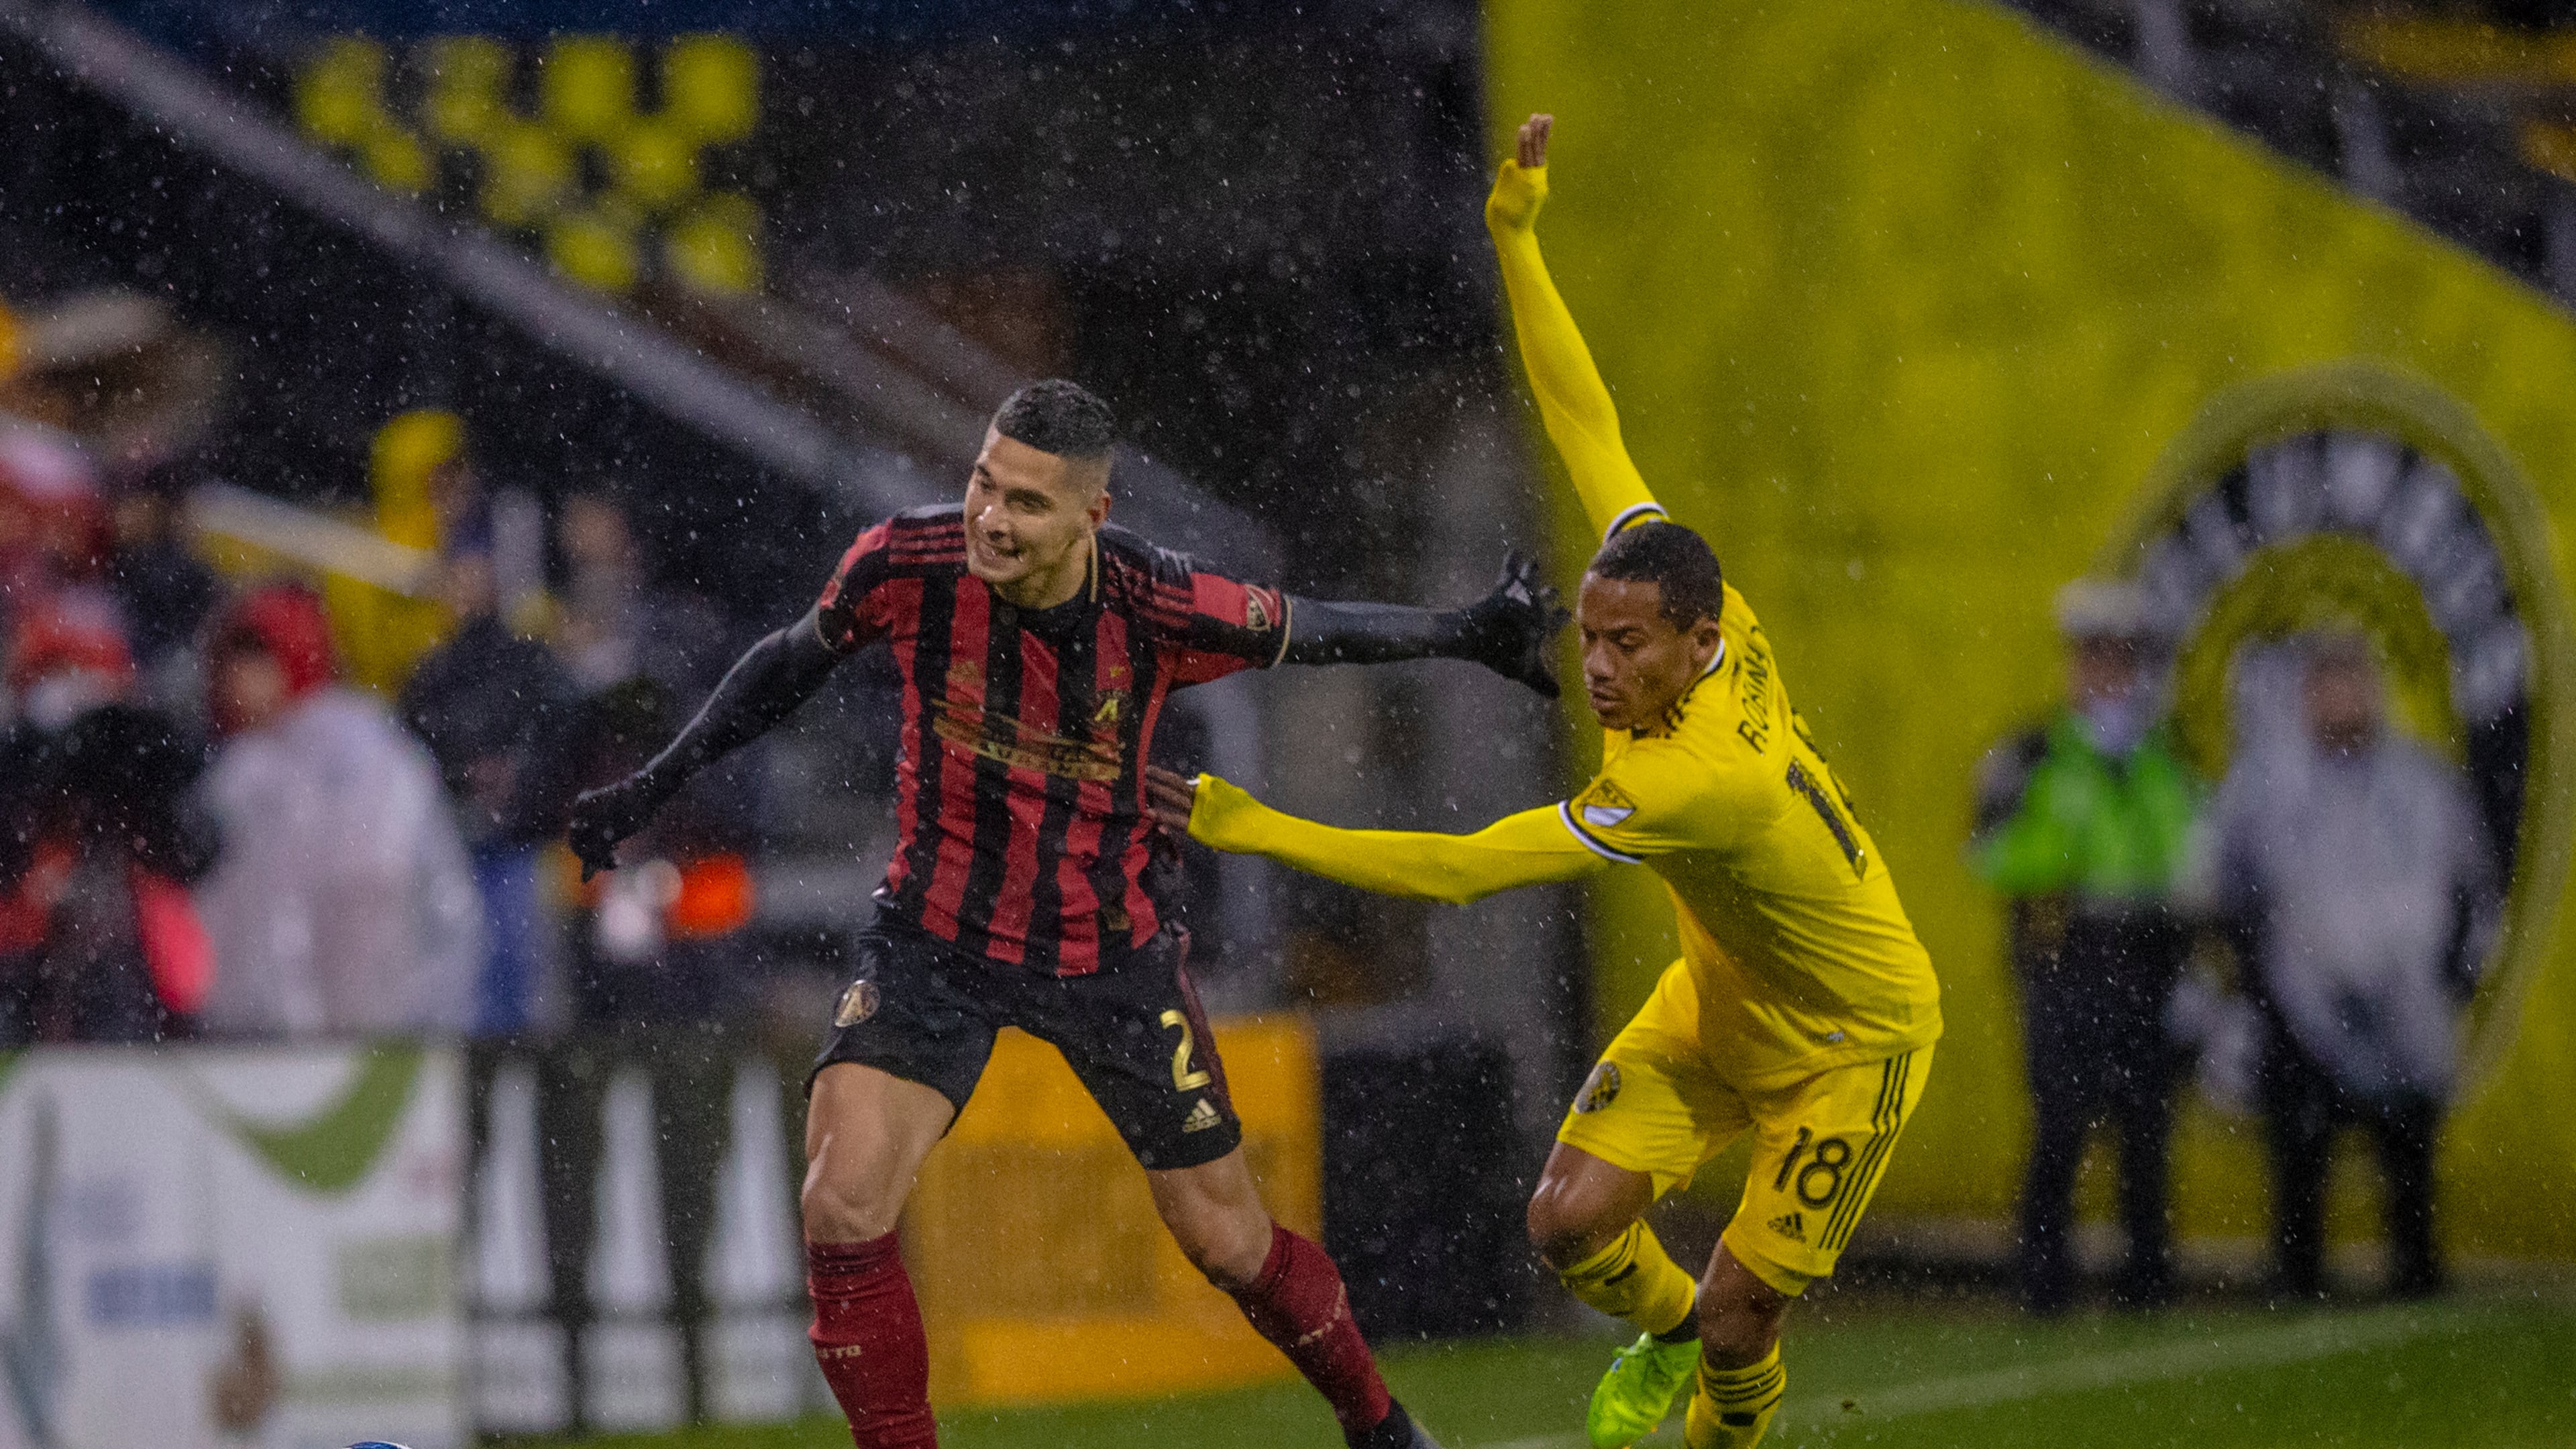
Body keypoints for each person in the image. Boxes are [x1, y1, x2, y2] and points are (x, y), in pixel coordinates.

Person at [566, 378, 1566, 1449]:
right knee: (840, 1204)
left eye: (1028, 503)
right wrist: (653, 784)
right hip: (934, 937)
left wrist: (1468, 632)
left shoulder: (1157, 600)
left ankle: (1380, 1428)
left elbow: (1312, 629)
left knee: (1226, 1241)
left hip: (1108, 952)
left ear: (1093, 514)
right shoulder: (908, 562)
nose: (992, 518)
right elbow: (789, 660)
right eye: (984, 484)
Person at [1146, 116, 1941, 1449]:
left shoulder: (1702, 781)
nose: (1600, 668)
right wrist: (1516, 238)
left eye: (1627, 648)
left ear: (1698, 643)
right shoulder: (1688, 593)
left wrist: (1259, 824)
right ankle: (1666, 1337)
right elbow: (1586, 419)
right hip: (1721, 1005)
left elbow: (1464, 871)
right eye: (1590, 639)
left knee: (1745, 1316)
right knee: (1567, 1225)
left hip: (1853, 1040)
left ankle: (1715, 1396)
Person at [2206, 630, 2496, 1299]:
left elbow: (2468, 884)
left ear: (2373, 688)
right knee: (2302, 1148)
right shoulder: (2265, 782)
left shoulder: (2422, 781)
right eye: (2325, 683)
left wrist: (2448, 975)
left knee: (2407, 1146)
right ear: (2305, 694)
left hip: (2404, 999)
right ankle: (2298, 1278)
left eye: (2351, 680)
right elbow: (2229, 885)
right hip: (2300, 996)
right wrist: (2259, 983)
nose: (2340, 697)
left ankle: (2415, 1276)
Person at [1969, 580, 2200, 1313]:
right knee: (2061, 1123)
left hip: (2150, 956)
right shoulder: (2034, 753)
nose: (2107, 675)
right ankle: (2042, 1285)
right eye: (2094, 659)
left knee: (2146, 1127)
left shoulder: (2165, 755)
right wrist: (2062, 856)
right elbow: (1990, 854)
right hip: (2065, 954)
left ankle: (2148, 1283)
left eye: (2120, 660)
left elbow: (2193, 854)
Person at [193, 583, 486, 1038]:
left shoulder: (354, 753)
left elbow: (375, 892)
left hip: (364, 1035)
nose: (237, 680)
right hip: (264, 1044)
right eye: (231, 663)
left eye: (257, 660)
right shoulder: (244, 768)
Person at [0, 606, 219, 1043]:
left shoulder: (150, 773)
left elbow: (196, 863)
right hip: (35, 997)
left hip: (144, 995)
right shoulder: (20, 781)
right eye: (55, 674)